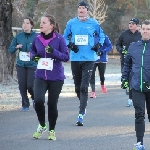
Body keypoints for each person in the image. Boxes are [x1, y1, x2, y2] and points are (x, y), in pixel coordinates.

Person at [63, 1, 105, 126]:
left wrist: (98, 45)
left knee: (83, 86)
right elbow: (64, 37)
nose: (81, 10)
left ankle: (81, 113)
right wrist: (70, 44)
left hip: (89, 58)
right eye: (79, 8)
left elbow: (102, 35)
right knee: (77, 87)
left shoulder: (94, 23)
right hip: (75, 57)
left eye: (83, 8)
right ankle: (83, 103)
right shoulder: (71, 23)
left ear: (87, 10)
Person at [30, 15, 69, 140]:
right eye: (40, 22)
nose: (40, 24)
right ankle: (42, 125)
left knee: (52, 103)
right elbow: (32, 51)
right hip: (40, 75)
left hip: (56, 76)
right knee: (38, 100)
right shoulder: (37, 39)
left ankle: (52, 130)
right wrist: (34, 56)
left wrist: (54, 52)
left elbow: (66, 57)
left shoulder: (59, 39)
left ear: (51, 25)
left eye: (44, 22)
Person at [121, 19, 150, 150]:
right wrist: (124, 78)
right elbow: (127, 64)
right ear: (140, 30)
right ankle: (140, 143)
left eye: (148, 29)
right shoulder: (133, 46)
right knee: (139, 113)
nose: (145, 31)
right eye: (144, 29)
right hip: (137, 86)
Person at [8, 17, 37, 111]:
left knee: (30, 85)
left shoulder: (37, 37)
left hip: (32, 64)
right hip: (20, 64)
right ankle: (25, 104)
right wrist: (16, 47)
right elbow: (10, 50)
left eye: (27, 23)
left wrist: (33, 53)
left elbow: (41, 50)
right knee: (22, 85)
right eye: (24, 23)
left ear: (31, 25)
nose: (25, 25)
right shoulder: (18, 36)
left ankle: (34, 98)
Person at [116, 18, 141, 107]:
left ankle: (130, 98)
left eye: (133, 23)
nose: (130, 24)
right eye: (129, 23)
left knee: (133, 78)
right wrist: (121, 50)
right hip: (125, 60)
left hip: (136, 61)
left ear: (137, 25)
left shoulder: (140, 35)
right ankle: (128, 89)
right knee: (127, 78)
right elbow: (118, 44)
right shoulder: (124, 34)